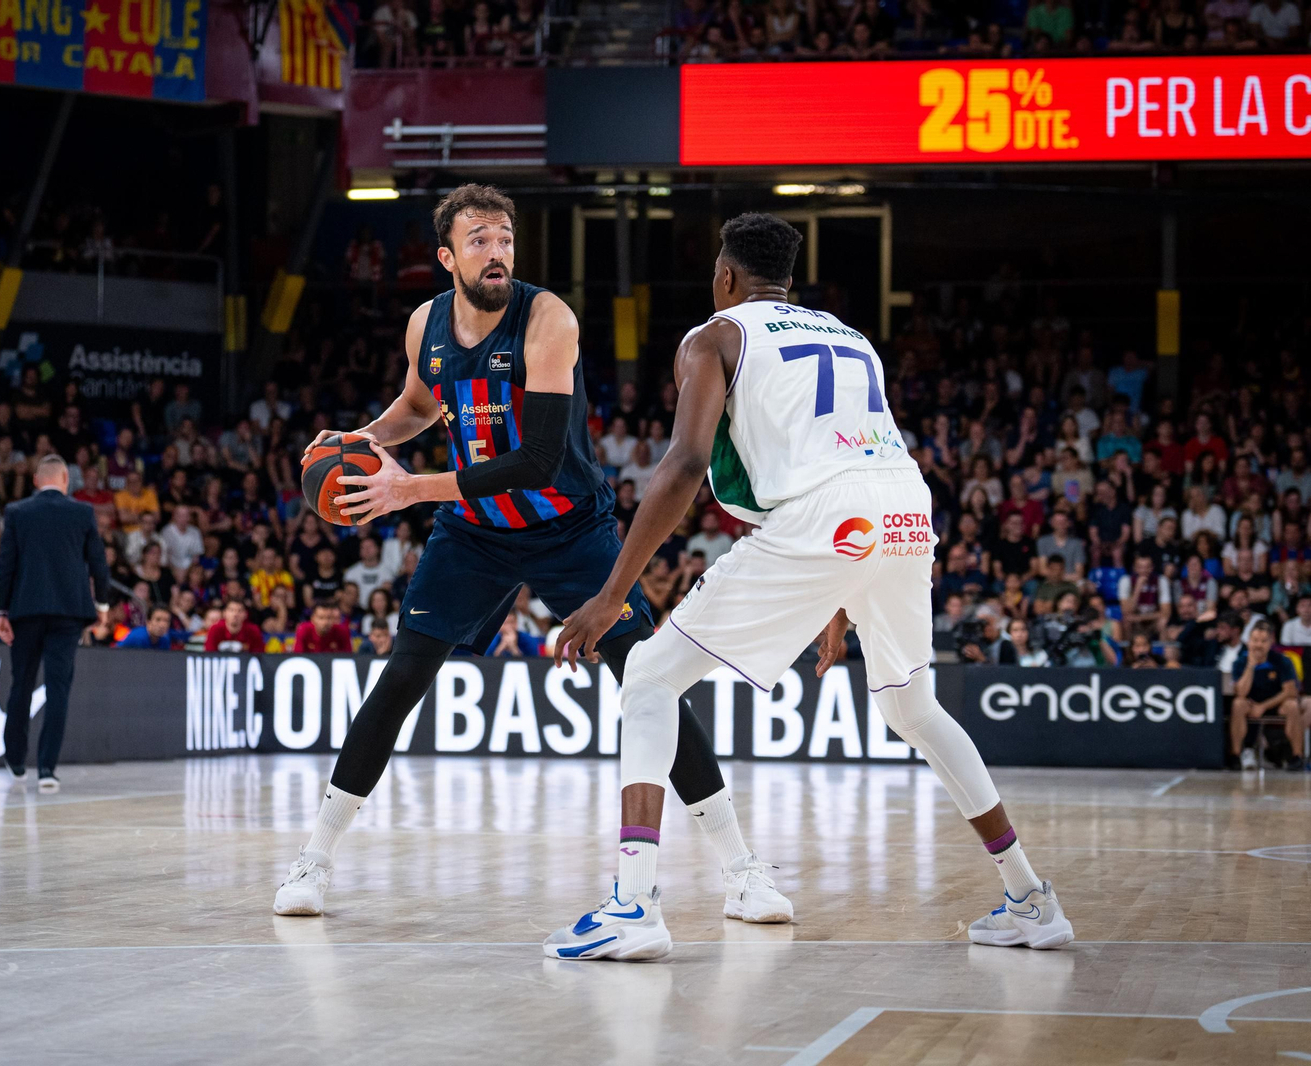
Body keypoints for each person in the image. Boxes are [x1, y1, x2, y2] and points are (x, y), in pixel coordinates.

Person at [545, 214, 1071, 961]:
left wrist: (611, 595)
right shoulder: (850, 336)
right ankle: (1030, 897)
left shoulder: (715, 336)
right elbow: (848, 457)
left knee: (650, 680)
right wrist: (841, 593)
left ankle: (633, 905)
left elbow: (686, 463)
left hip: (828, 517)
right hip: (905, 510)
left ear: (725, 277)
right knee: (914, 709)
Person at [272, 185, 772, 925]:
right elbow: (420, 404)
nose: (497, 251)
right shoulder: (426, 325)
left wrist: (413, 491)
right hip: (474, 532)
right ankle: (313, 860)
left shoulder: (548, 319)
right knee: (403, 677)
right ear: (447, 256)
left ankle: (743, 870)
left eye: (504, 238)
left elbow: (538, 458)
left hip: (570, 527)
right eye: (478, 240)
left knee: (649, 683)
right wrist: (365, 441)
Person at [0, 454, 112, 793]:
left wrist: (0, 611)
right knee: (59, 688)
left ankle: (15, 760)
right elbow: (99, 564)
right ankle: (47, 769)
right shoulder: (82, 512)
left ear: (35, 480)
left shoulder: (17, 512)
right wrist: (101, 604)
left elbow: (6, 565)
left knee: (22, 684)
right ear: (64, 478)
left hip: (25, 610)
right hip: (67, 613)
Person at [1227, 624, 1304, 771]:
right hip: (1250, 703)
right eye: (1255, 640)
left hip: (1275, 703)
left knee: (1293, 705)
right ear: (1249, 641)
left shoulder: (1282, 660)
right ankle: (1235, 755)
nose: (1259, 645)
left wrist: (1263, 706)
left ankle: (1296, 757)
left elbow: (1290, 691)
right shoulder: (1240, 662)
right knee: (1238, 704)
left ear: (1270, 643)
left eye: (1263, 641)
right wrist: (1250, 666)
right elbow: (1241, 692)